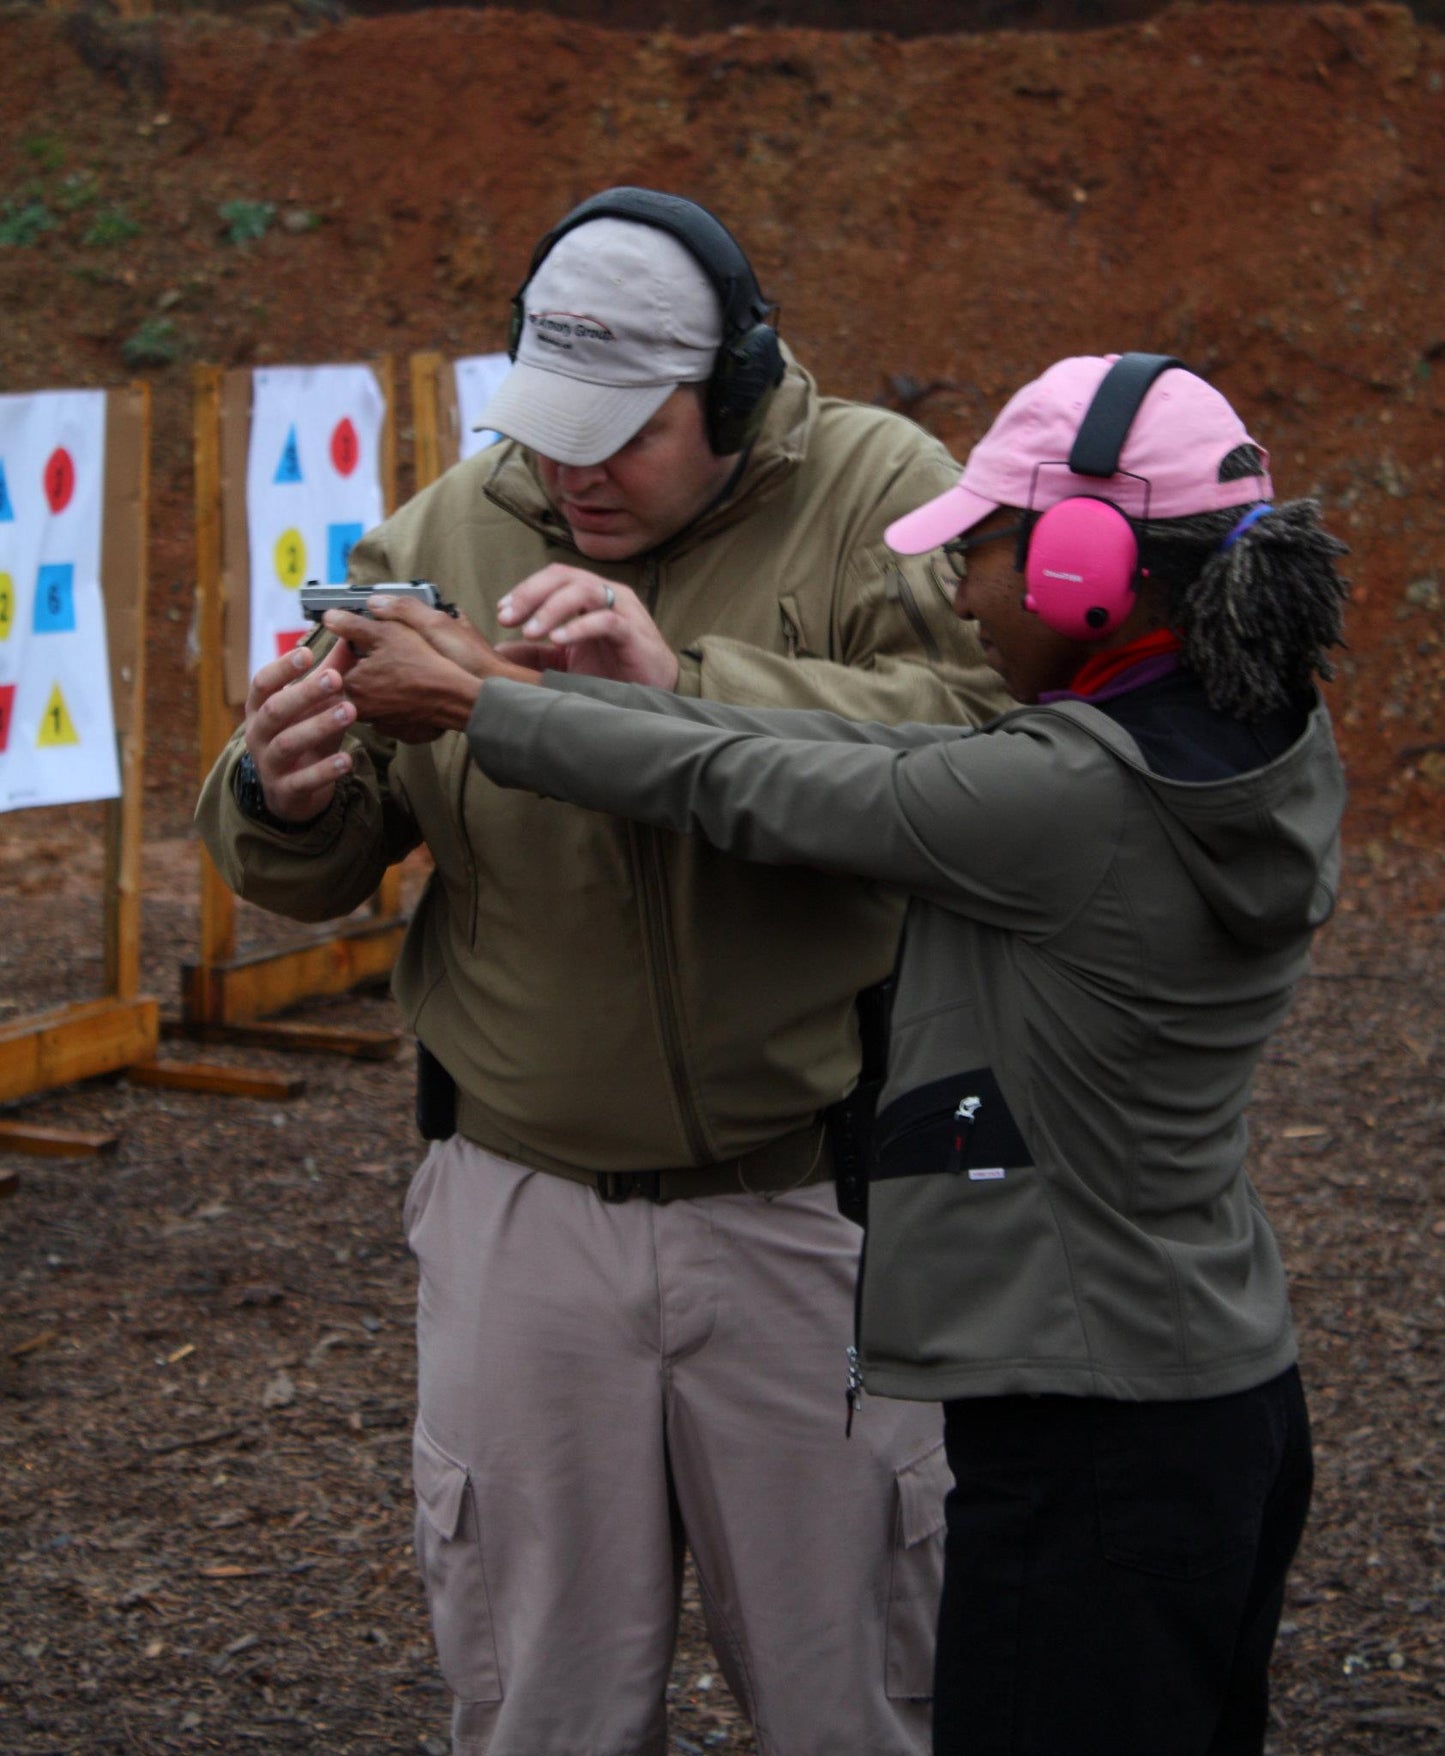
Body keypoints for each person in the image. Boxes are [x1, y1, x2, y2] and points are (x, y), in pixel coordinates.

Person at [327, 352, 1350, 1756]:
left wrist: (475, 707)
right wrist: (548, 683)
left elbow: (763, 784)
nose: (957, 590)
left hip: (1086, 1430)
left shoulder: (1062, 797)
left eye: (983, 554)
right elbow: (814, 760)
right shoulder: (1246, 736)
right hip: (1203, 1388)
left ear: (1089, 573)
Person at [196, 186, 1011, 1756]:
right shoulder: (445, 530)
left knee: (861, 1703)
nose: (573, 471)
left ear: (732, 390)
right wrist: (281, 795)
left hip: (818, 1210)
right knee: (539, 1709)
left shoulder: (880, 495)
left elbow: (984, 754)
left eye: (624, 431)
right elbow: (316, 852)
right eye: (549, 425)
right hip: (521, 1217)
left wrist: (681, 687)